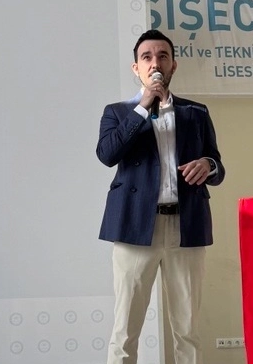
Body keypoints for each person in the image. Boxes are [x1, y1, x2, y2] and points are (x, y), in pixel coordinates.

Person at [96, 29, 226, 364]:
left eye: (163, 56)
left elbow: (217, 165)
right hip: (135, 226)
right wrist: (142, 107)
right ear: (136, 67)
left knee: (187, 329)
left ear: (173, 65)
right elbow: (107, 154)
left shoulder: (196, 112)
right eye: (147, 57)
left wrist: (208, 164)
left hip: (187, 226)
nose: (155, 63)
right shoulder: (118, 112)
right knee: (125, 330)